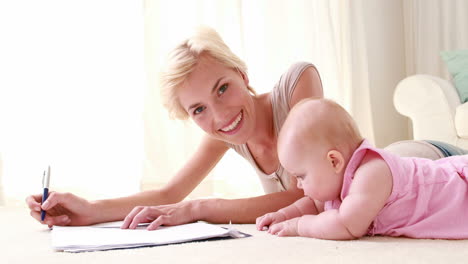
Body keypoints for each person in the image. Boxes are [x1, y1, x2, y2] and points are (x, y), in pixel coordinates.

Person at [24, 26, 464, 230]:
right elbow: (167, 195)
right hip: (395, 196)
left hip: (427, 167)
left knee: (401, 158)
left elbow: (307, 195)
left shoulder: (295, 89)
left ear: (243, 74)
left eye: (222, 89)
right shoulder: (223, 134)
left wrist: (205, 208)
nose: (219, 116)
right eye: (197, 110)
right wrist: (88, 208)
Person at [256, 98, 468, 240]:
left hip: (458, 191)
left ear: (334, 161)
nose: (298, 184)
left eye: (301, 176)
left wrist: (300, 226)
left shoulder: (372, 173)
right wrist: (283, 215)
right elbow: (313, 204)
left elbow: (347, 225)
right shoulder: (337, 180)